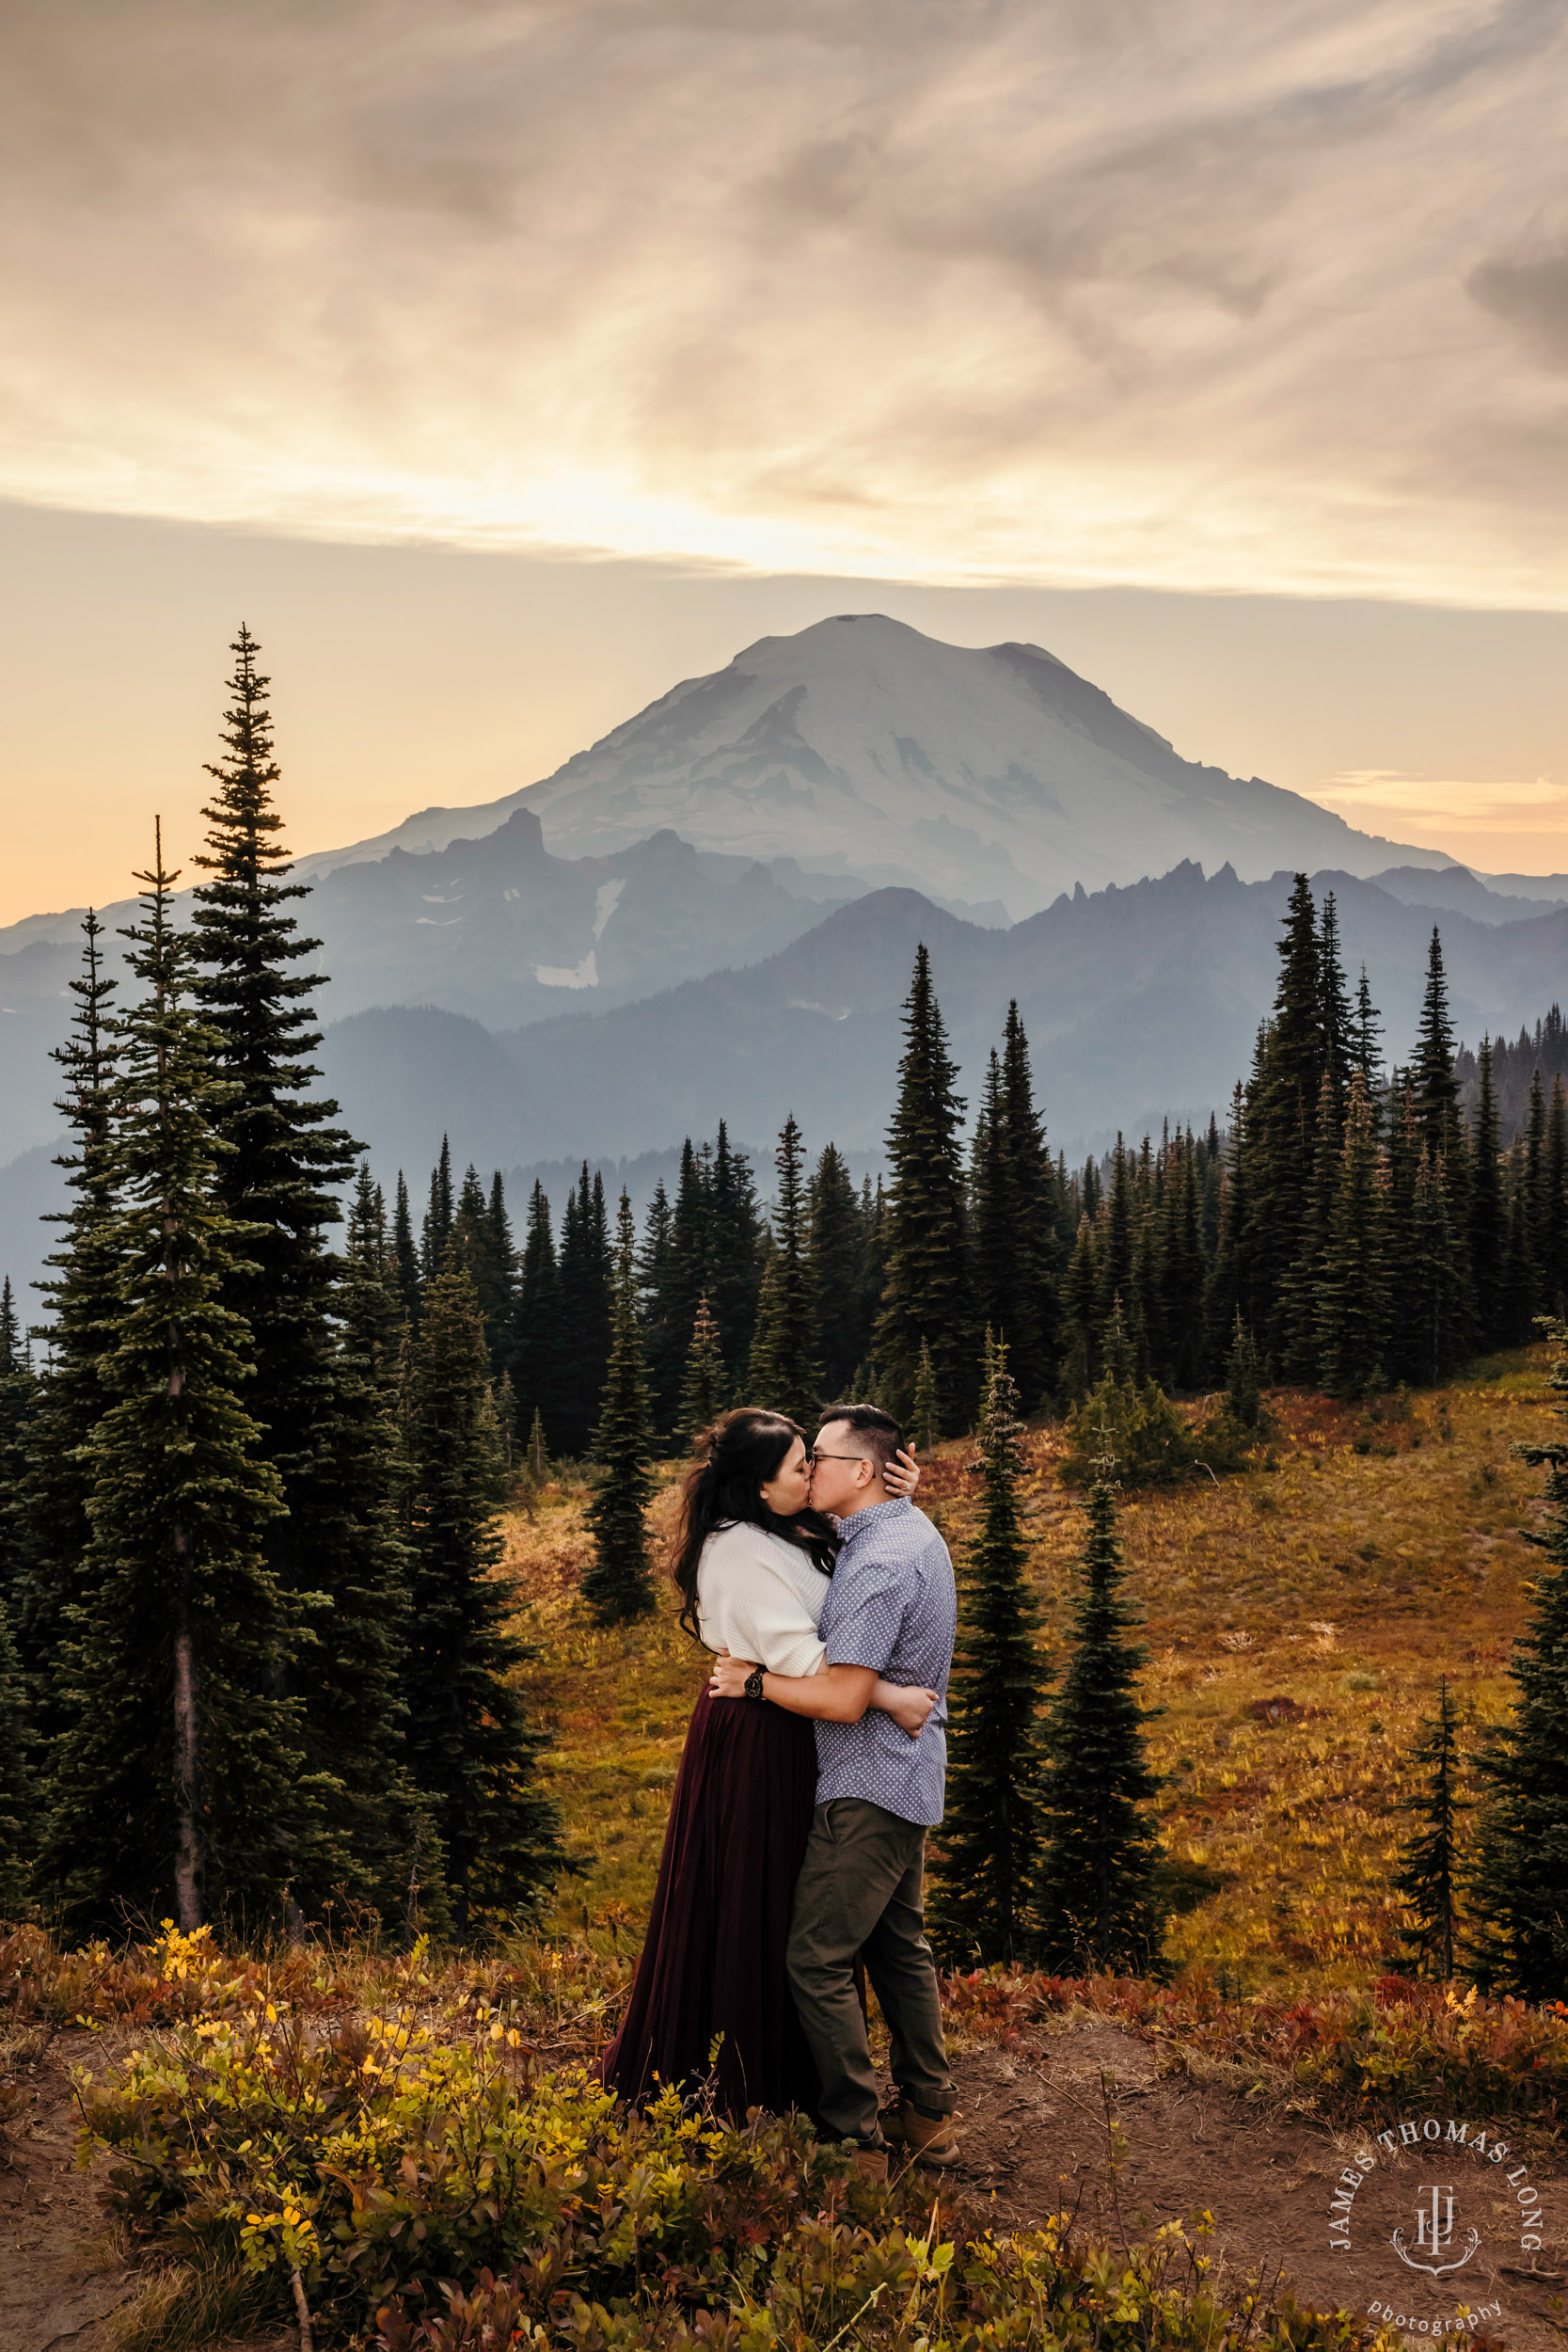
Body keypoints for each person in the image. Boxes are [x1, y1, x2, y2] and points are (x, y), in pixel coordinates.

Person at [598, 1407, 933, 2122]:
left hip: (793, 1724)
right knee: (756, 1905)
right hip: (760, 1733)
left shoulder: (785, 1529)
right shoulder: (738, 1552)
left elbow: (863, 1568)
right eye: (798, 1466)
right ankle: (754, 2077)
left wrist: (894, 1499)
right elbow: (812, 1662)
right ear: (759, 1488)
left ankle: (811, 2079)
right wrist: (895, 1696)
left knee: (790, 1910)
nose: (811, 1473)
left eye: (816, 1461)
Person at [709, 1403, 958, 2178]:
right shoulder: (899, 1529)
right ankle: (926, 2114)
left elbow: (843, 1698)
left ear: (858, 1472)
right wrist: (904, 1489)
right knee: (897, 1949)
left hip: (867, 1781)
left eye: (818, 1456)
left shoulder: (879, 1565)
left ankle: (851, 2139)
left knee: (816, 1958)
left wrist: (752, 1681)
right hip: (906, 1775)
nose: (809, 1467)